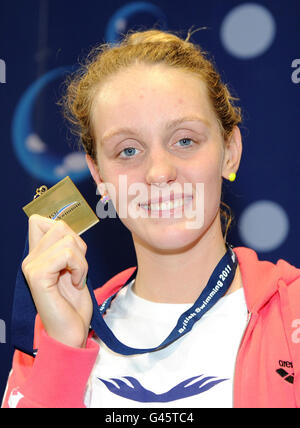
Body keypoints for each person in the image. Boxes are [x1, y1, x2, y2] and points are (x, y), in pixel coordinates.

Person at [2, 28, 300, 409]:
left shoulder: (291, 311)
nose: (159, 172)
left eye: (185, 141)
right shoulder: (57, 332)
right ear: (99, 177)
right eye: (128, 150)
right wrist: (63, 349)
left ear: (230, 152)